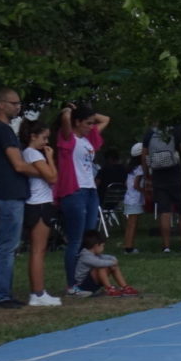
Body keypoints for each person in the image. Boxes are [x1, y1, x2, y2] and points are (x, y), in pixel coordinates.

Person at [56, 103, 109, 294]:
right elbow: (65, 121)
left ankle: (86, 280)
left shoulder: (88, 139)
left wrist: (86, 112)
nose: (91, 126)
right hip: (74, 191)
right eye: (87, 123)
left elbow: (106, 120)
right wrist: (69, 111)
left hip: (90, 191)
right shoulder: (68, 138)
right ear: (76, 122)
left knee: (89, 239)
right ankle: (72, 284)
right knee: (75, 240)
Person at [0, 88, 28, 309]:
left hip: (10, 192)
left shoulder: (4, 129)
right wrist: (45, 170)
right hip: (9, 193)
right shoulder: (2, 130)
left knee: (10, 245)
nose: (17, 107)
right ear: (1, 105)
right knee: (7, 246)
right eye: (14, 103)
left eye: (19, 103)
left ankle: (3, 292)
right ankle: (1, 294)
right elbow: (18, 164)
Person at [16, 119, 62, 307]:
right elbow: (52, 177)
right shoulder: (32, 153)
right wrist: (50, 158)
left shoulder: (30, 153)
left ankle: (38, 291)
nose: (46, 142)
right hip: (38, 204)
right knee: (38, 250)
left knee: (39, 249)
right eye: (44, 138)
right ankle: (37, 293)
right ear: (33, 136)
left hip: (40, 203)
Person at [142, 122, 181, 253]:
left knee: (164, 212)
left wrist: (146, 176)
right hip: (176, 176)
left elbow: (144, 156)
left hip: (158, 177)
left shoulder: (149, 133)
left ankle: (166, 246)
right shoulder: (176, 130)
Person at [73, 230, 140, 296]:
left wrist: (113, 261)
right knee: (101, 267)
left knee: (112, 266)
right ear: (96, 246)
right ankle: (109, 289)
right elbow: (99, 263)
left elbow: (106, 257)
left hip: (93, 283)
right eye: (102, 246)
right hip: (84, 285)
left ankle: (125, 287)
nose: (103, 248)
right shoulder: (85, 256)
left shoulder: (95, 254)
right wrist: (112, 263)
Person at [121, 143, 148, 254]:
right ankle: (129, 247)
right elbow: (136, 185)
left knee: (131, 224)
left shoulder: (131, 168)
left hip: (129, 197)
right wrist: (146, 192)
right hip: (135, 199)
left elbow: (127, 183)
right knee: (133, 224)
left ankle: (128, 245)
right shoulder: (140, 168)